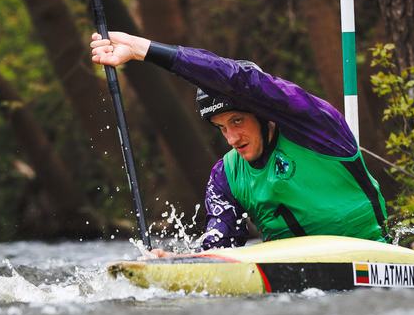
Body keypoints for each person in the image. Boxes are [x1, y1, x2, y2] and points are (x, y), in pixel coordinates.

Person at [89, 31, 387, 252]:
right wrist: (179, 265)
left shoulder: (316, 127)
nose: (232, 138)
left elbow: (242, 82)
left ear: (263, 113)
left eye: (237, 121)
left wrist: (146, 50)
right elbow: (220, 243)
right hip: (295, 283)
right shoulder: (225, 176)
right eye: (221, 128)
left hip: (374, 256)